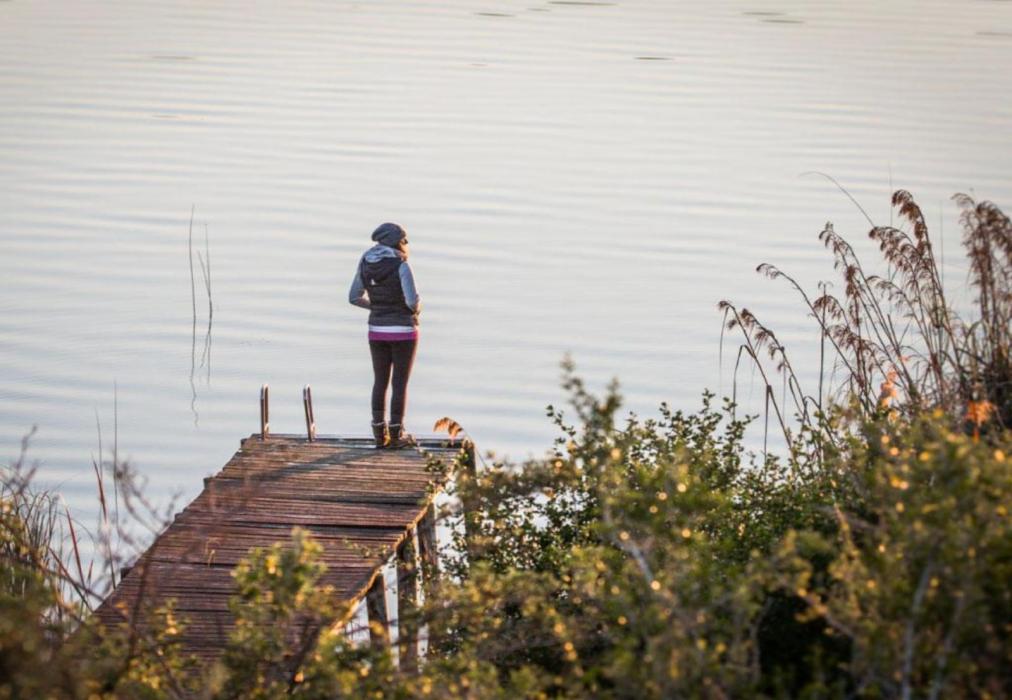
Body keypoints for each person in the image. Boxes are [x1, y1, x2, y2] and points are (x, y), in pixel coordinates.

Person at [348, 222, 421, 448]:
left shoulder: (365, 262)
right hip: (404, 331)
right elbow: (411, 301)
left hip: (376, 331)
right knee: (399, 383)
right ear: (397, 242)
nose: (405, 244)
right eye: (403, 240)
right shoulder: (401, 265)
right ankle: (397, 435)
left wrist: (378, 307)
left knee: (380, 381)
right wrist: (417, 308)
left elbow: (354, 297)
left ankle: (379, 435)